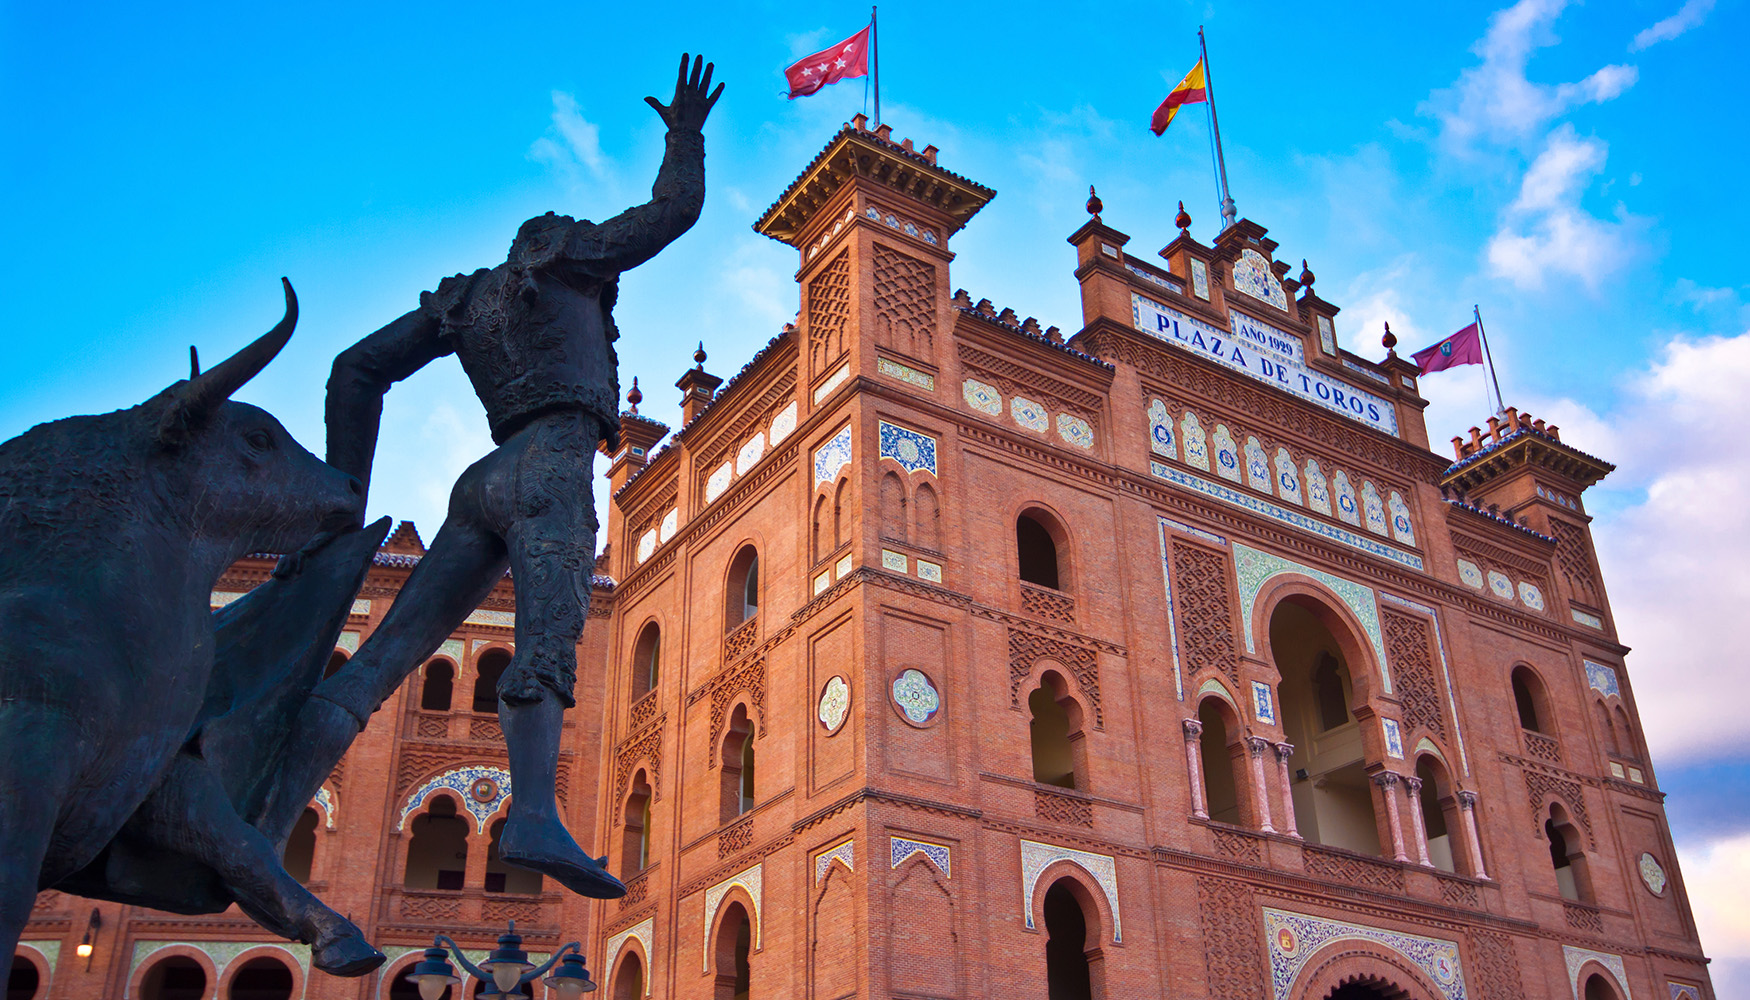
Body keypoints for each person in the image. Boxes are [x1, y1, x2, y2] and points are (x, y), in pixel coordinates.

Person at [260, 54, 723, 898]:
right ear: (559, 245)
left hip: (482, 478)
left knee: (381, 660)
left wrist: (342, 501)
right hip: (550, 470)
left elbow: (354, 370)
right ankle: (538, 814)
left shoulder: (465, 300)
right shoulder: (569, 260)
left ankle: (266, 822)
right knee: (547, 649)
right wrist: (685, 134)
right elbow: (672, 212)